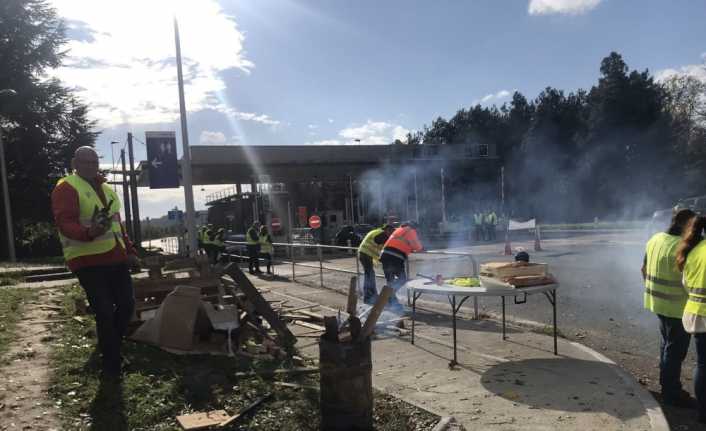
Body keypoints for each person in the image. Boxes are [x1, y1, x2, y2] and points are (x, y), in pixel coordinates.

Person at [51, 146, 139, 380]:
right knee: (104, 311)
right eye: (85, 162)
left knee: (127, 305)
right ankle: (111, 366)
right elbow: (65, 222)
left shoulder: (108, 189)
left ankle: (111, 347)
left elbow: (118, 226)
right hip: (87, 260)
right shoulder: (67, 187)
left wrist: (130, 250)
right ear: (75, 163)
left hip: (115, 257)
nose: (91, 166)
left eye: (94, 161)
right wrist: (89, 232)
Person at [642, 209, 696, 407]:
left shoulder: (655, 239)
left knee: (666, 346)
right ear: (685, 226)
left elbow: (643, 269)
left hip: (658, 304)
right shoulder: (684, 247)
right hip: (678, 308)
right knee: (674, 352)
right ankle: (671, 393)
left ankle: (667, 386)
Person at [677, 215, 706, 423]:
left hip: (696, 314)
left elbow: (686, 283)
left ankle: (702, 412)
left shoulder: (693, 250)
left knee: (703, 365)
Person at [380, 221, 423, 309]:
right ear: (414, 227)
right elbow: (417, 247)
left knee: (390, 280)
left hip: (385, 256)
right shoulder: (411, 231)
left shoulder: (399, 229)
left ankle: (389, 301)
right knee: (402, 279)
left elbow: (402, 243)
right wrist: (422, 248)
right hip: (395, 257)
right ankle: (388, 296)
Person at [358, 224, 394, 304]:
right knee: (369, 275)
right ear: (387, 229)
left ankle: (371, 295)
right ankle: (369, 296)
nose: (391, 234)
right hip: (366, 254)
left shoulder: (377, 231)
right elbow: (384, 245)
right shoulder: (382, 234)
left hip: (365, 254)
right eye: (390, 232)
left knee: (369, 274)